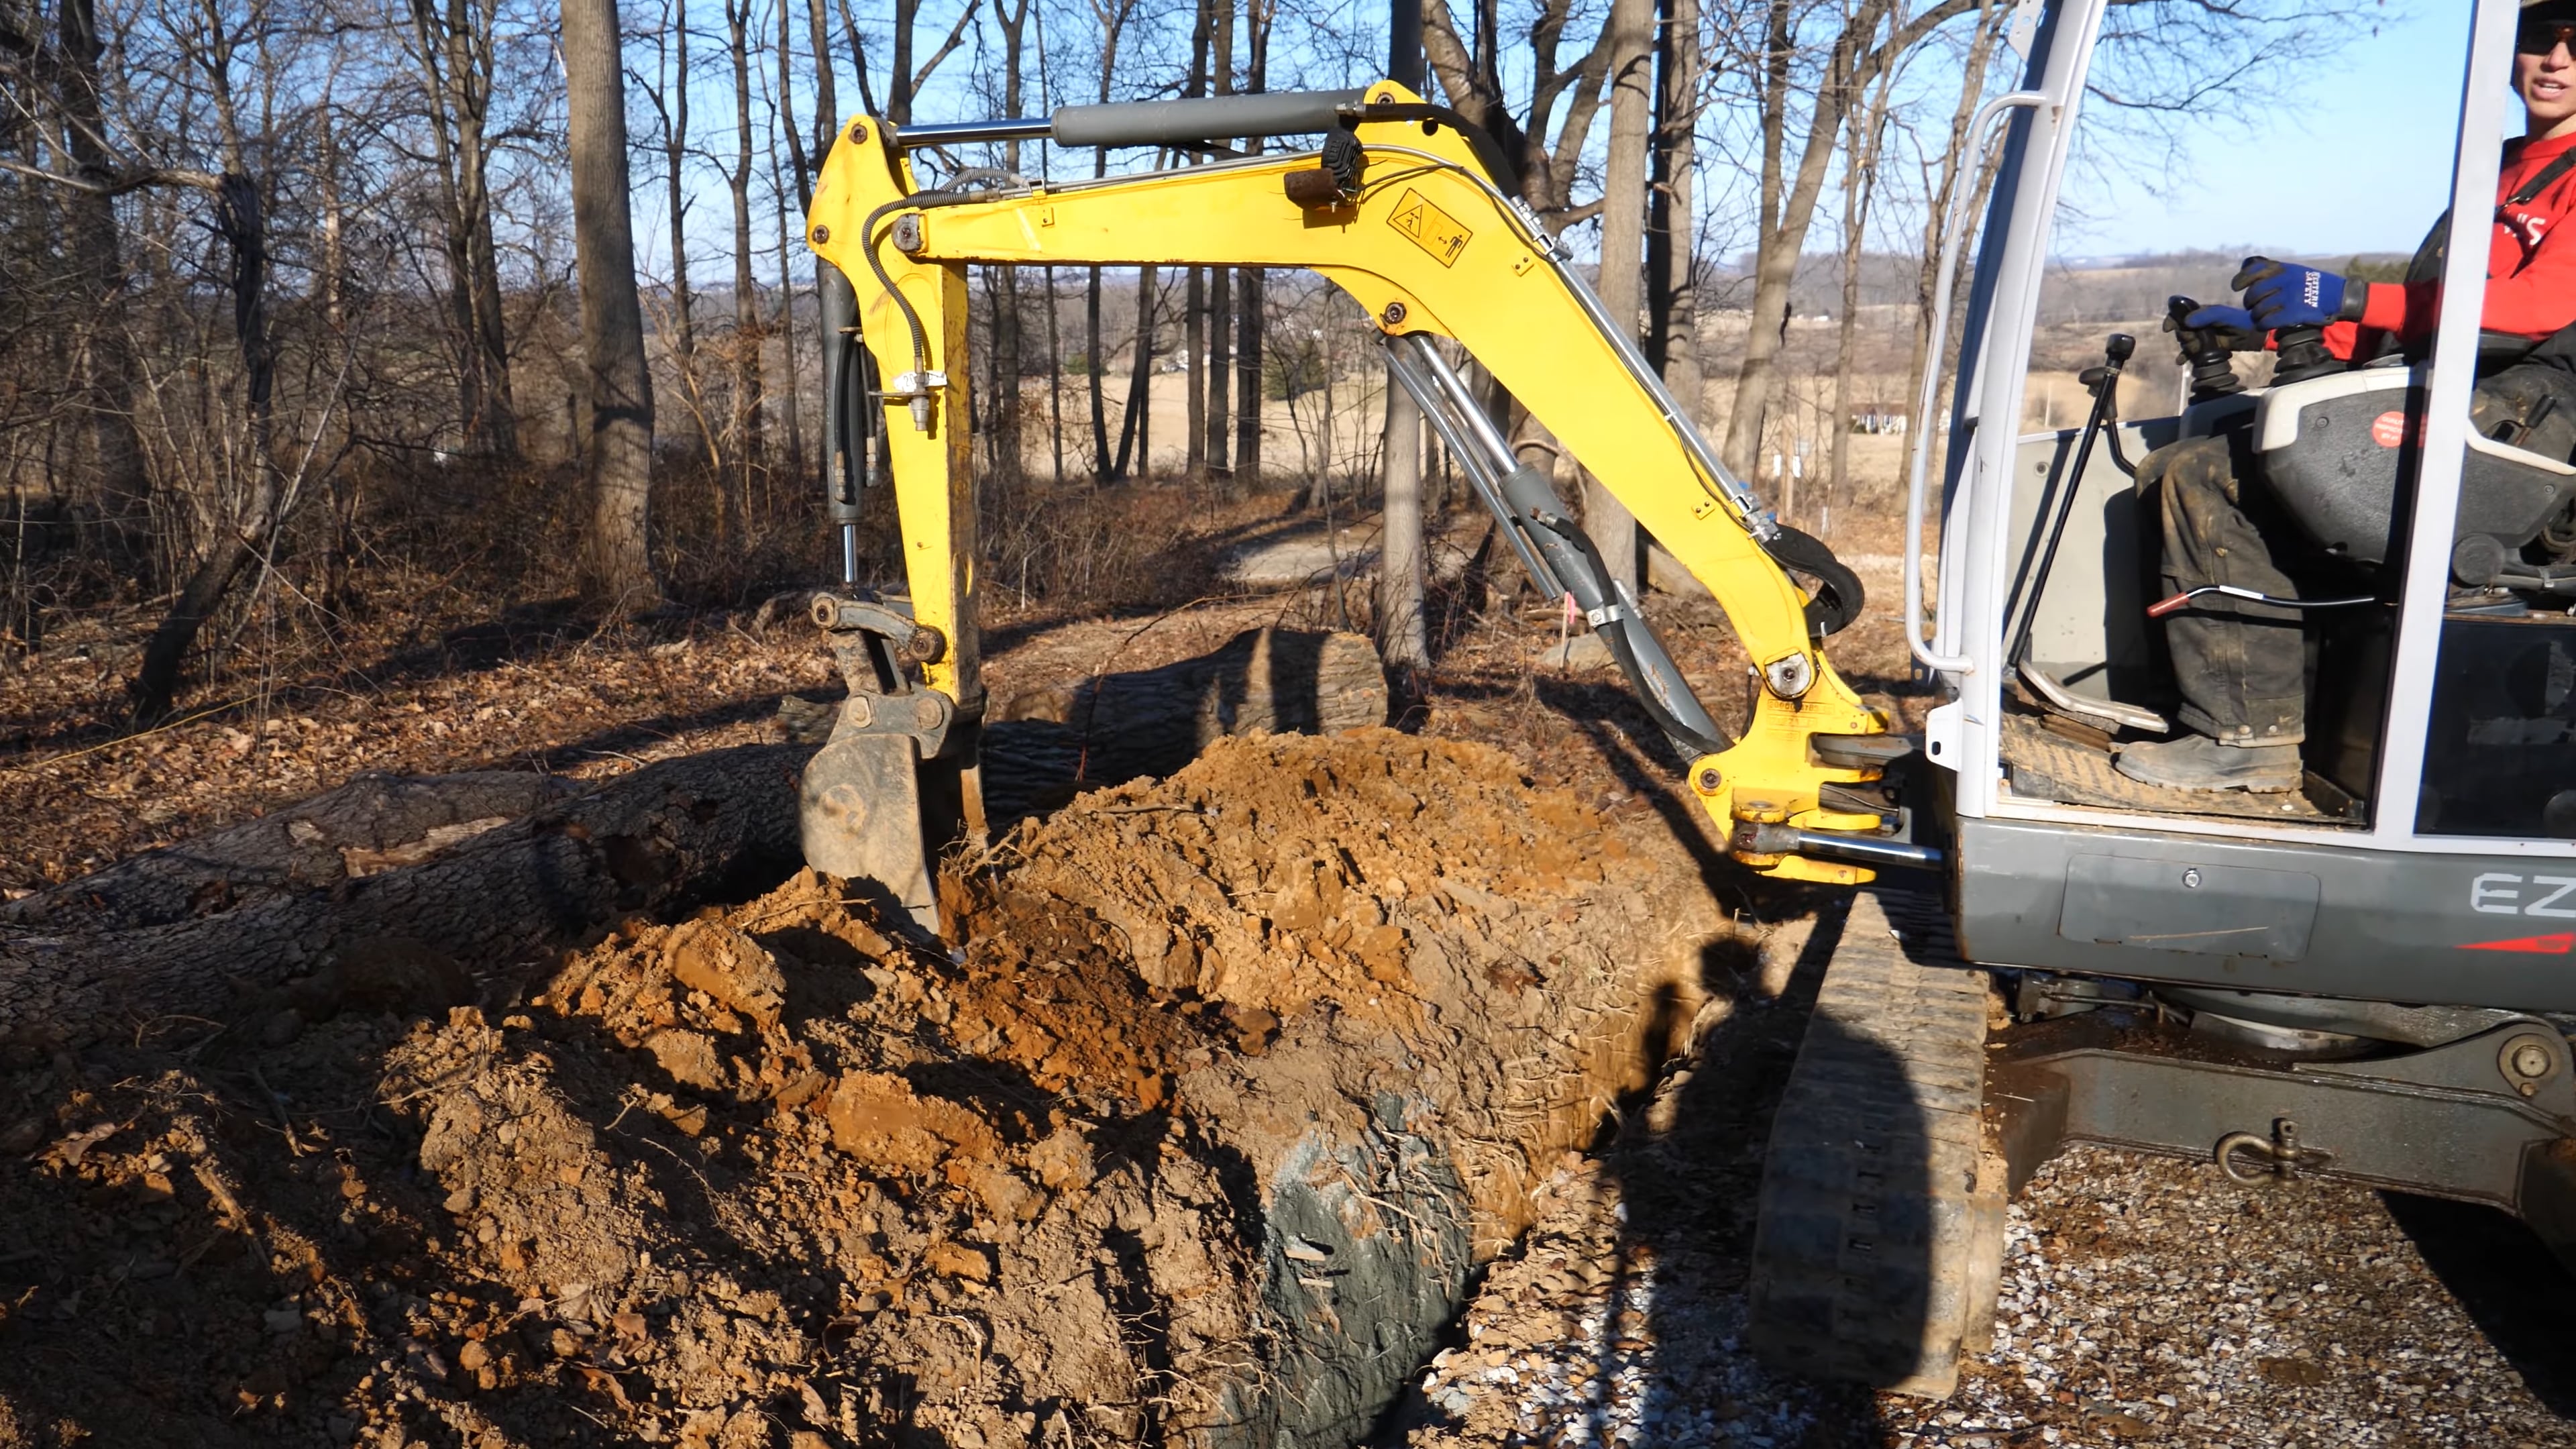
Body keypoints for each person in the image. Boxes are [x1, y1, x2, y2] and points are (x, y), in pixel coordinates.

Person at [2118, 0, 2576, 792]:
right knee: (2179, 464)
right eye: (2539, 37)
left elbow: (2537, 308)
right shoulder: (2498, 169)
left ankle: (2246, 736)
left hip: (2532, 419)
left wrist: (2354, 297)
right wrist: (2273, 333)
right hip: (2454, 390)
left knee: (2217, 476)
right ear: (2511, 51)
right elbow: (2419, 317)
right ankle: (2223, 707)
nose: (2556, 60)